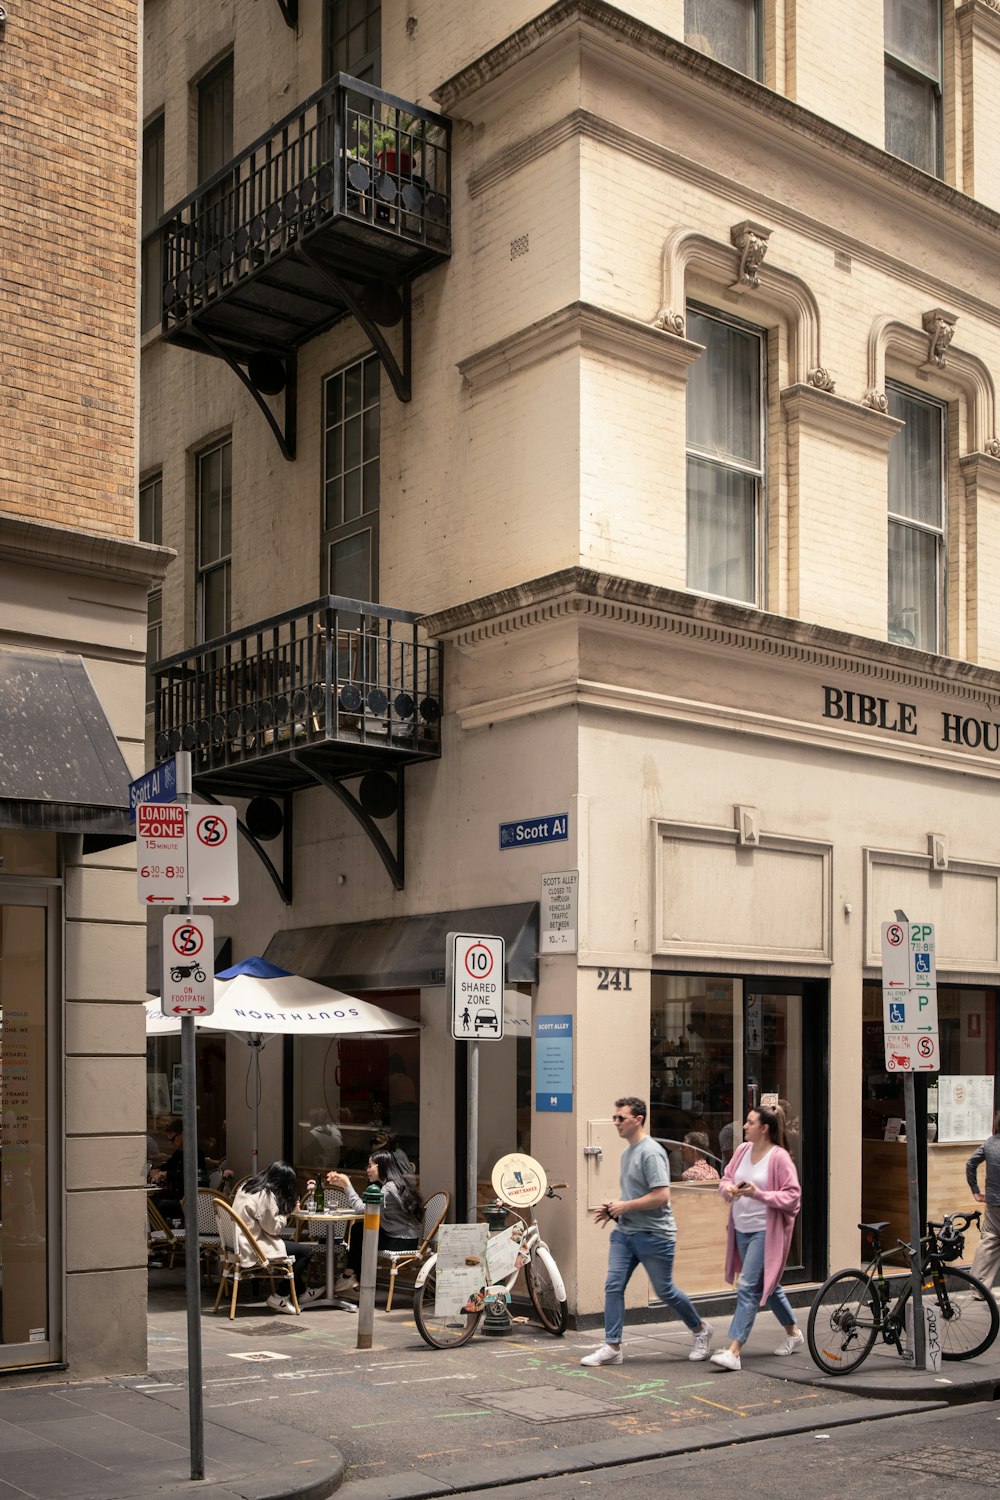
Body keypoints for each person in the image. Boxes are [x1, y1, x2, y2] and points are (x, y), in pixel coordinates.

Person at [580, 1096, 712, 1367]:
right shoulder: (628, 1152)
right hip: (626, 1233)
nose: (615, 1123)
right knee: (613, 1286)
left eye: (621, 1118)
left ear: (638, 1120)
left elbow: (662, 1196)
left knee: (665, 1291)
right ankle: (612, 1346)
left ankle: (700, 1330)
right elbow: (635, 1194)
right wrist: (614, 1209)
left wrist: (624, 1205)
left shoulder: (651, 1152)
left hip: (655, 1234)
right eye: (615, 1117)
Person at [710, 1104, 803, 1371]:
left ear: (764, 1129)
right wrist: (728, 1188)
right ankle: (794, 1333)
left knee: (748, 1285)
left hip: (766, 1230)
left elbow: (792, 1196)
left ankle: (734, 1351)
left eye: (750, 1122)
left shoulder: (779, 1157)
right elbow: (725, 1178)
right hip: (741, 1228)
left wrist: (757, 1194)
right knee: (767, 1286)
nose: (744, 1126)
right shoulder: (741, 1151)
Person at [327, 1149, 423, 1287]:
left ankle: (350, 1277)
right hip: (407, 1238)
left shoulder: (388, 1189)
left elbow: (362, 1209)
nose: (367, 1170)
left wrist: (347, 1184)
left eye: (370, 1165)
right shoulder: (396, 1183)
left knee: (359, 1232)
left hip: (401, 1241)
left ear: (381, 1166)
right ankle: (351, 1279)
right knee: (360, 1230)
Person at [232, 1161, 319, 1313]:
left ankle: (302, 1292)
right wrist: (288, 1212)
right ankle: (280, 1295)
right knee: (305, 1252)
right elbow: (273, 1229)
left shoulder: (248, 1186)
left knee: (292, 1248)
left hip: (237, 1242)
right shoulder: (265, 1195)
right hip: (252, 1246)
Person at [966, 1110, 1000, 1287]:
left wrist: (975, 1190)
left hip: (994, 1202)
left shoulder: (989, 1143)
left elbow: (971, 1163)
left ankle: (978, 1286)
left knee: (989, 1241)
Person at [150, 1120, 206, 1222]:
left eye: (172, 1138)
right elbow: (168, 1165)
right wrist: (157, 1170)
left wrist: (166, 1174)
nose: (171, 1141)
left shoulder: (195, 1154)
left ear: (183, 1134)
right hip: (179, 1199)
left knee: (155, 1205)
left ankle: (164, 1233)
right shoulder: (179, 1153)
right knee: (151, 1202)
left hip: (189, 1202)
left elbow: (190, 1177)